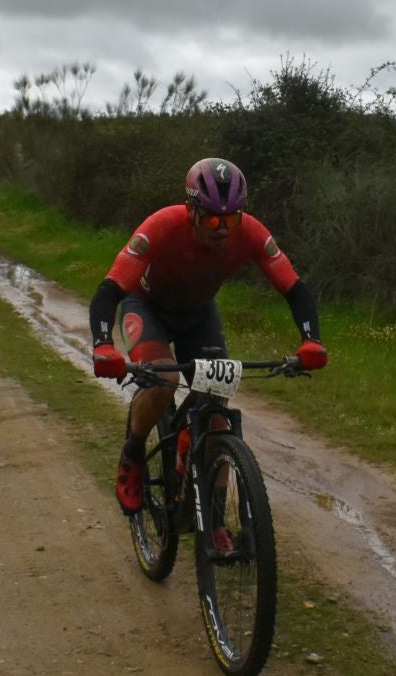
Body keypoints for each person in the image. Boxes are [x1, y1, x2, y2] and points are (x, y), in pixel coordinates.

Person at [89, 157, 327, 515]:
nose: (223, 229)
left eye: (231, 218)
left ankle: (213, 521)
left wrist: (312, 340)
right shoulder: (162, 225)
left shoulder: (251, 232)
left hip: (198, 314)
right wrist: (103, 345)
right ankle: (133, 454)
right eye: (213, 218)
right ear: (191, 210)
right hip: (148, 307)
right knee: (163, 380)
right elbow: (110, 290)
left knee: (217, 411)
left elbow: (294, 288)